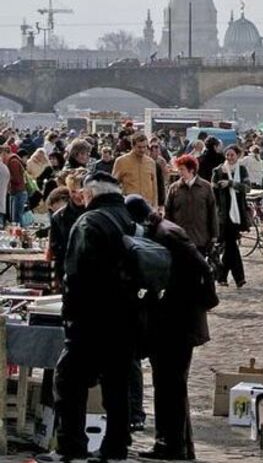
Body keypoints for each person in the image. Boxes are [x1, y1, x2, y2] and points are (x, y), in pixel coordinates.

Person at [54, 172, 139, 461]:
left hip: (92, 318)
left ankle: (71, 446)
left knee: (69, 381)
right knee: (117, 384)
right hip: (126, 315)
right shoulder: (129, 218)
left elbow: (76, 275)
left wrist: (70, 316)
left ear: (90, 194)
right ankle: (116, 447)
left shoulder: (89, 222)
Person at [124, 195, 212, 461]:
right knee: (172, 385)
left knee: (170, 385)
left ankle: (171, 445)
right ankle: (179, 445)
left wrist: (202, 302)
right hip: (174, 319)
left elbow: (202, 267)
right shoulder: (164, 231)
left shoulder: (168, 234)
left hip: (177, 321)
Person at [212, 145, 251, 288]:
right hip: (223, 213)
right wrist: (217, 186)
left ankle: (222, 276)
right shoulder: (218, 170)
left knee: (230, 245)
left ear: (238, 156)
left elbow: (247, 188)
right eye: (227, 155)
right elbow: (213, 190)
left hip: (237, 212)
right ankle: (239, 277)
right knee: (231, 244)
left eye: (232, 155)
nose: (229, 158)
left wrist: (231, 183)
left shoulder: (241, 170)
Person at [165, 155, 219, 257]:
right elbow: (168, 211)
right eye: (178, 169)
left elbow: (212, 211)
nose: (179, 172)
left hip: (200, 238)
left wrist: (214, 235)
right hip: (180, 237)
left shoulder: (205, 187)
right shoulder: (174, 188)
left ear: (191, 170)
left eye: (182, 169)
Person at [48, 170, 87, 289]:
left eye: (81, 192)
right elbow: (55, 246)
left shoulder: (95, 214)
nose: (77, 196)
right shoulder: (58, 217)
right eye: (73, 191)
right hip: (68, 270)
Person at [112, 133, 158, 205]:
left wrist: (155, 206)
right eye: (139, 147)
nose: (142, 150)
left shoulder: (151, 162)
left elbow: (154, 186)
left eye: (144, 147)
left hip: (147, 206)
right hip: (128, 206)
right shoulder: (121, 161)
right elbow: (113, 185)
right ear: (132, 146)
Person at [1, 144, 27, 226]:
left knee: (17, 218)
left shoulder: (12, 162)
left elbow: (17, 179)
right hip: (16, 191)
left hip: (18, 192)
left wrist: (7, 178)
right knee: (15, 218)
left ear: (5, 153)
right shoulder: (10, 161)